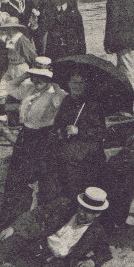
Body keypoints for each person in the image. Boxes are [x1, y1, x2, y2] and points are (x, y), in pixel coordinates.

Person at [0, 58, 66, 233]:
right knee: (15, 179)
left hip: (44, 138)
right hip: (25, 136)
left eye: (42, 78)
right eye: (34, 77)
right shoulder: (29, 88)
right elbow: (7, 88)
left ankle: (31, 220)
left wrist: (54, 82)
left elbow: (59, 101)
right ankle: (10, 218)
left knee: (37, 179)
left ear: (50, 79)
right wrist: (26, 74)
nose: (37, 81)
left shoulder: (56, 94)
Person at [41, 71, 108, 204]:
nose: (77, 86)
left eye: (81, 82)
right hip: (67, 151)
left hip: (86, 155)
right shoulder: (67, 100)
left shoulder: (93, 104)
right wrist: (59, 131)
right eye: (74, 82)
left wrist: (79, 131)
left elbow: (101, 132)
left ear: (86, 84)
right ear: (68, 84)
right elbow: (58, 124)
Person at [0, 16, 40, 122]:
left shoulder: (22, 39)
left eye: (11, 28)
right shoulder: (9, 39)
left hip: (21, 67)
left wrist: (32, 71)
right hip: (11, 67)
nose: (8, 30)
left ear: (16, 28)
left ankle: (27, 116)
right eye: (7, 28)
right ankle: (3, 114)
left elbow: (32, 56)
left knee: (26, 93)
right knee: (0, 90)